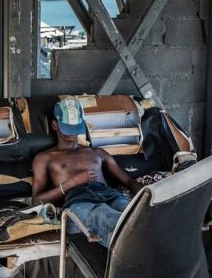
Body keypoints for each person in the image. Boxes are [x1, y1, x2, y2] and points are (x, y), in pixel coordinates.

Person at [32, 97, 142, 248]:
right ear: (54, 125)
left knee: (134, 216)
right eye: (68, 128)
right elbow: (37, 200)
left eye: (76, 128)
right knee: (103, 215)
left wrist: (150, 196)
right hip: (78, 202)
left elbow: (128, 181)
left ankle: (143, 251)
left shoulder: (97, 153)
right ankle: (134, 251)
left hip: (110, 195)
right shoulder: (45, 158)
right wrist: (73, 182)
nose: (72, 133)